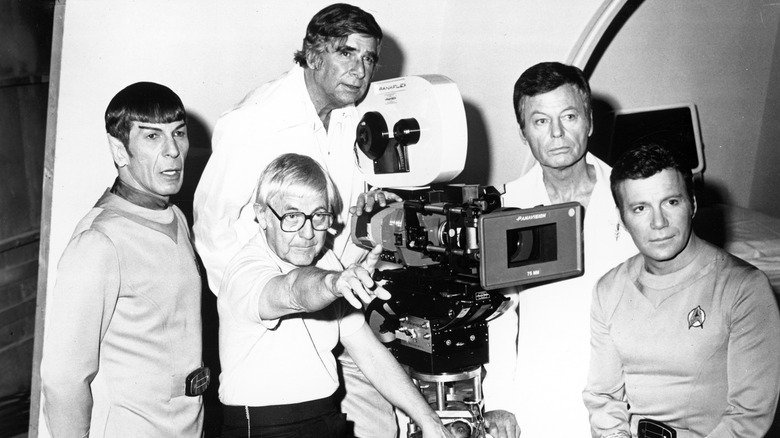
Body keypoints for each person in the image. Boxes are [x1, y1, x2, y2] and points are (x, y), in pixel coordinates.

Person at [192, 5, 399, 436]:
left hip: (342, 308)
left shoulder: (355, 120)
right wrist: (256, 304)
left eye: (369, 58)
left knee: (384, 426)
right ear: (312, 53)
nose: (360, 70)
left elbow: (343, 220)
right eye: (347, 53)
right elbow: (213, 229)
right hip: (277, 317)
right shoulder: (253, 122)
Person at [217, 153, 453, 438]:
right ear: (263, 215)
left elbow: (369, 352)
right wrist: (333, 284)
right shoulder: (246, 270)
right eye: (292, 216)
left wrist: (429, 419)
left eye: (318, 217)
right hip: (264, 427)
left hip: (325, 419)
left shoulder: (326, 260)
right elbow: (293, 290)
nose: (307, 233)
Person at [40, 82, 207, 437]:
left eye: (178, 133)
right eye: (152, 137)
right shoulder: (99, 242)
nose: (173, 151)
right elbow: (62, 378)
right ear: (119, 149)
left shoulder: (175, 215)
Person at [481, 62, 637, 437]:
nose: (557, 133)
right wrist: (500, 400)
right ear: (523, 133)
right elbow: (499, 317)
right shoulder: (505, 207)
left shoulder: (632, 199)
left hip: (625, 401)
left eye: (569, 116)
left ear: (590, 121)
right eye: (539, 122)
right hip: (540, 402)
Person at [583, 143, 780, 438]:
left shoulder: (745, 289)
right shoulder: (608, 290)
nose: (658, 223)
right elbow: (603, 398)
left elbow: (748, 418)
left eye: (671, 202)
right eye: (640, 208)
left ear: (693, 204)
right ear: (622, 218)